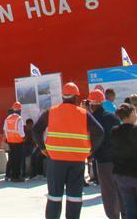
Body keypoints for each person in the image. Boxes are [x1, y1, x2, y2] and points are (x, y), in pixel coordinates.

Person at [34, 82, 104, 219]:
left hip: (55, 161)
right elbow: (99, 132)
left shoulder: (51, 112)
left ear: (63, 97)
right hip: (77, 161)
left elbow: (36, 130)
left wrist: (42, 148)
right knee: (74, 197)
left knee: (54, 196)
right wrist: (91, 150)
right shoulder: (83, 114)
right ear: (76, 97)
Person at [88, 88, 122, 219]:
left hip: (103, 160)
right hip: (117, 158)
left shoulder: (91, 119)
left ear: (91, 104)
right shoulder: (113, 117)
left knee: (108, 192)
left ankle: (113, 216)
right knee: (120, 188)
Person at [3, 102, 25, 182]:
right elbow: (21, 132)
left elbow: (5, 130)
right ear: (20, 110)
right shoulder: (19, 119)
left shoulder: (7, 118)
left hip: (10, 142)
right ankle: (16, 177)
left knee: (11, 159)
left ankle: (10, 176)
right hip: (18, 142)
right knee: (18, 160)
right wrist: (24, 138)